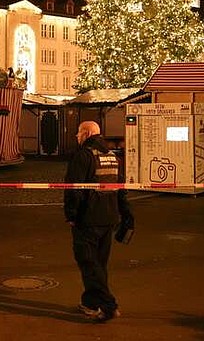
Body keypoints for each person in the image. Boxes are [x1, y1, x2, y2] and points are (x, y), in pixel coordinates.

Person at [63, 120, 134, 322]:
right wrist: (125, 214)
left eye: (78, 133)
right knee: (99, 264)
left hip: (88, 218)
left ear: (86, 134)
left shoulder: (83, 155)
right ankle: (90, 302)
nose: (77, 137)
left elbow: (73, 189)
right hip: (109, 218)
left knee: (88, 263)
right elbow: (121, 189)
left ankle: (108, 305)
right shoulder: (111, 157)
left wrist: (71, 215)